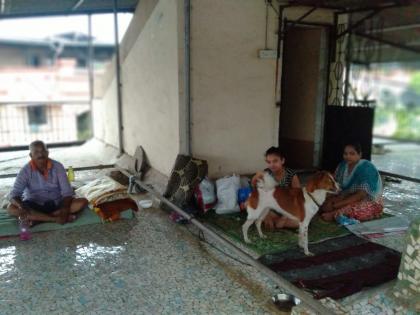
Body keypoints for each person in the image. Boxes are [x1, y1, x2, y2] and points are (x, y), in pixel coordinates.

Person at [8, 140, 88, 225]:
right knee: (11, 208)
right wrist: (21, 206)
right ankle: (53, 218)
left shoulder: (58, 167)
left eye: (43, 151)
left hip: (57, 203)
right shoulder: (25, 171)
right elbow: (14, 193)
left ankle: (39, 218)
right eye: (36, 152)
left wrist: (64, 210)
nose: (40, 155)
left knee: (82, 202)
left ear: (47, 153)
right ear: (31, 155)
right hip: (34, 204)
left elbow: (67, 192)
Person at [321, 142, 383, 222]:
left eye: (352, 154)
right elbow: (336, 186)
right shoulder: (342, 166)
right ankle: (335, 212)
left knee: (358, 209)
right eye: (345, 153)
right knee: (326, 202)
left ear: (359, 155)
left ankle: (334, 214)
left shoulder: (366, 168)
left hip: (369, 199)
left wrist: (335, 206)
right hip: (348, 196)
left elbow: (361, 195)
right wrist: (331, 200)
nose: (348, 156)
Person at [251, 146, 301, 230]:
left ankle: (277, 222)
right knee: (249, 204)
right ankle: (273, 221)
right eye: (269, 162)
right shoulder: (266, 173)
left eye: (275, 161)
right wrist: (256, 177)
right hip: (271, 208)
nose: (272, 165)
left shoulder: (291, 175)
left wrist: (284, 217)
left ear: (282, 161)